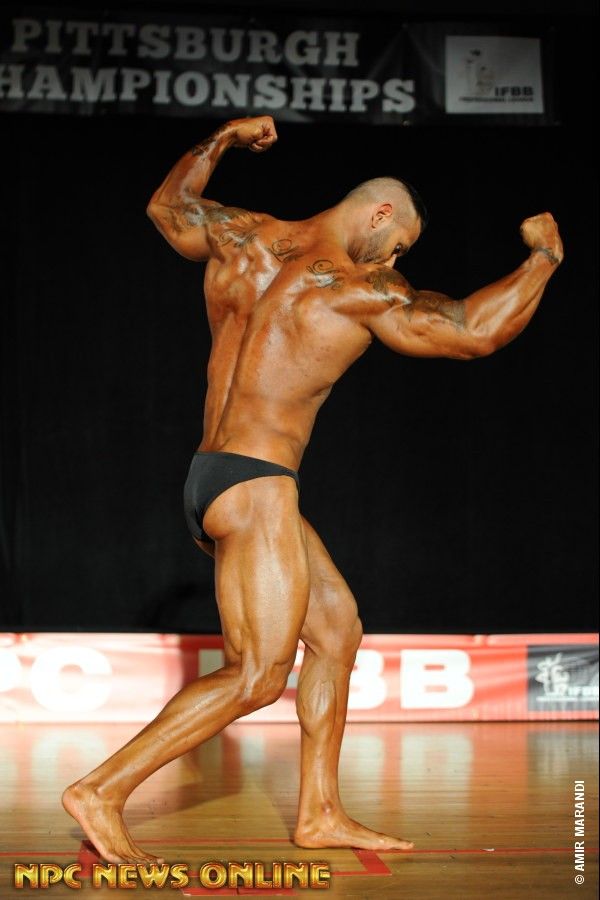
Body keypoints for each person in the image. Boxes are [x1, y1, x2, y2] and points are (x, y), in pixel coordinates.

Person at [63, 115, 563, 864]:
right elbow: (471, 331)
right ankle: (102, 789)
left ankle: (320, 811)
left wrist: (223, 141)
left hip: (216, 476)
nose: (394, 258)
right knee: (257, 676)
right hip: (259, 485)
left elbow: (167, 208)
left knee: (335, 631)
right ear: (381, 214)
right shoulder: (363, 287)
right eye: (399, 245)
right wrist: (544, 259)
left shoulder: (244, 237)